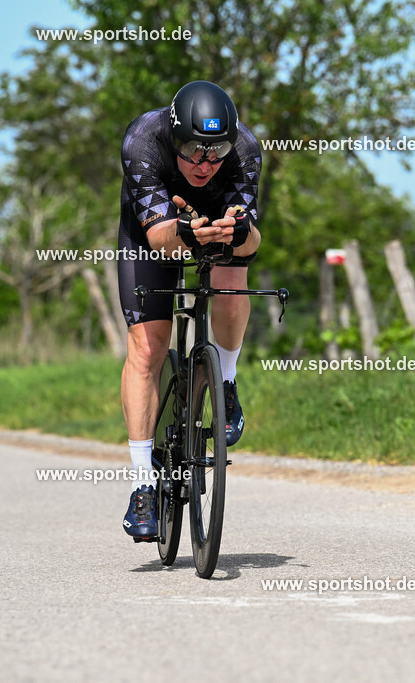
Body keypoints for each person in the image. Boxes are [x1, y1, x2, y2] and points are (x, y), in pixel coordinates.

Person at [116, 81, 262, 539]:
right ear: (173, 137)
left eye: (215, 152)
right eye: (192, 150)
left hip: (216, 222)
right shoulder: (142, 139)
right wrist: (184, 232)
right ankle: (142, 485)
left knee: (234, 276)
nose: (203, 164)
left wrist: (238, 234)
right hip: (155, 230)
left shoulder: (245, 149)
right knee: (147, 347)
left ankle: (227, 379)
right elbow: (159, 239)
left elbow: (254, 240)